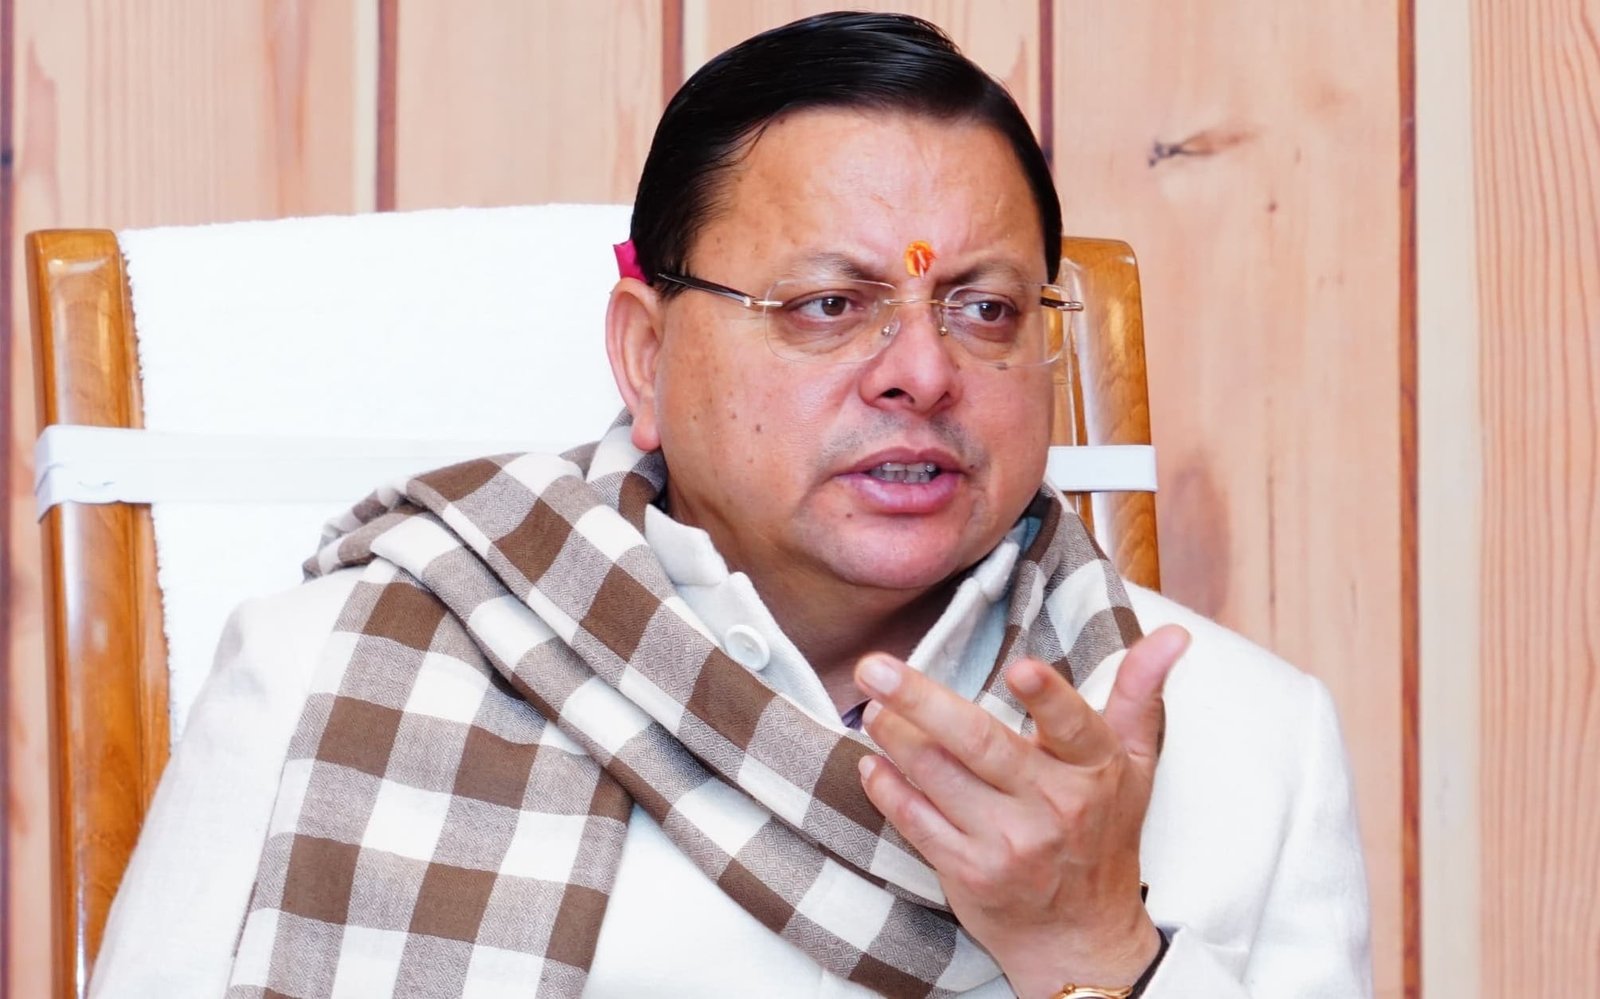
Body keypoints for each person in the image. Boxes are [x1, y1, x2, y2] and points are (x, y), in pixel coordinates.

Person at [92, 12, 1371, 998]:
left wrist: (1093, 949)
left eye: (983, 309)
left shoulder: (1250, 743)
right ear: (646, 355)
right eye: (828, 305)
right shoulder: (326, 676)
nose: (922, 372)